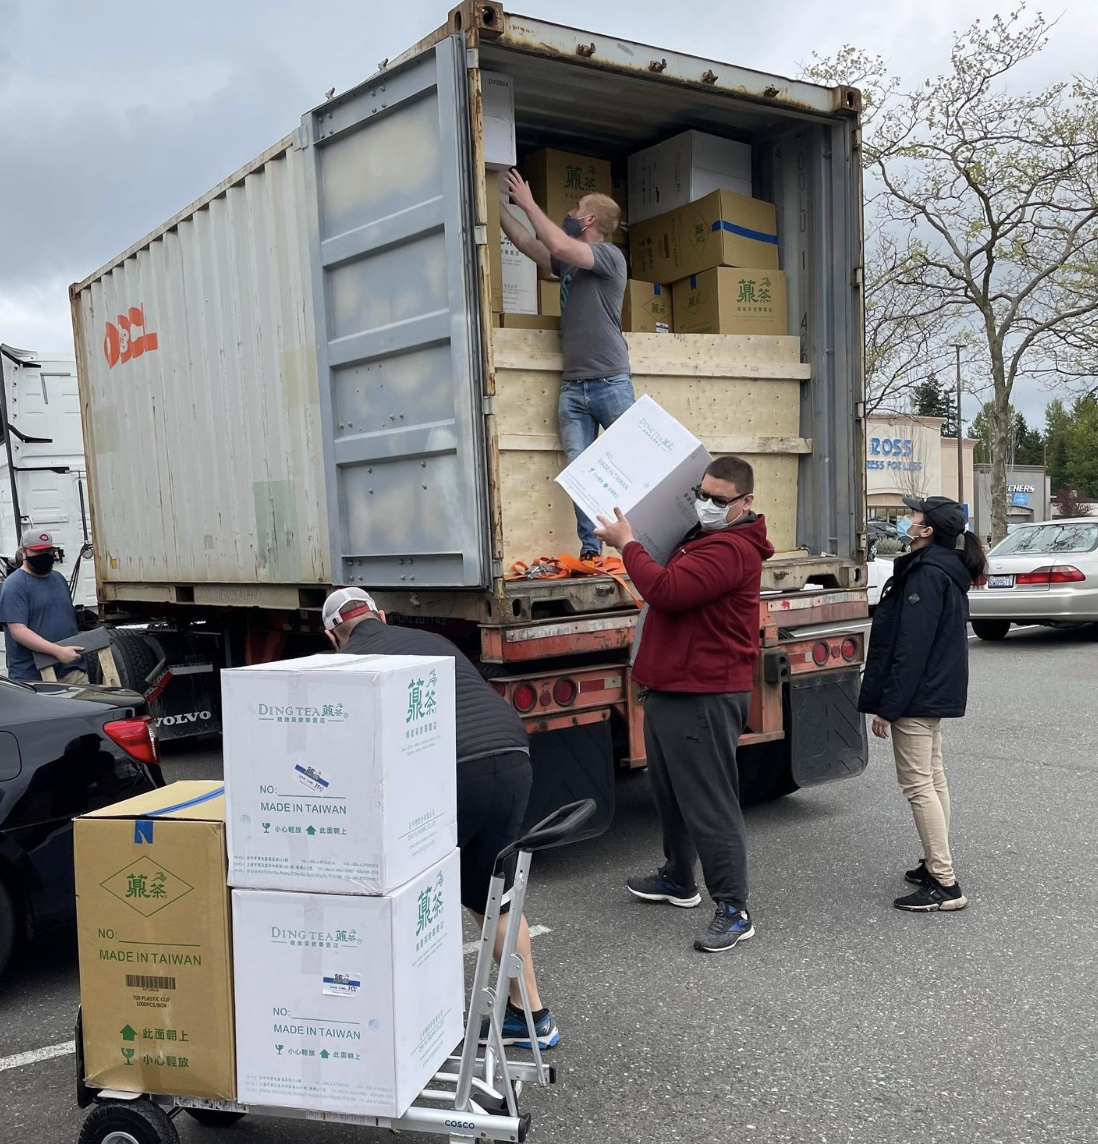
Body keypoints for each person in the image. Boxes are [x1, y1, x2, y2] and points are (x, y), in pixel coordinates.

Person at [321, 587, 559, 1048]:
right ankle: (531, 1018)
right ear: (382, 617)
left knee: (412, 890)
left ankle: (412, 1029)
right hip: (511, 753)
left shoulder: (346, 664)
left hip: (454, 768)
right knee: (494, 893)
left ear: (333, 638)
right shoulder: (434, 642)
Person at [595, 456, 774, 952]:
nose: (708, 505)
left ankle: (734, 908)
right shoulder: (703, 536)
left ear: (745, 503)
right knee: (670, 791)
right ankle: (679, 879)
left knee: (709, 800)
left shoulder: (732, 549)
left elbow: (667, 591)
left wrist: (627, 543)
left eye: (720, 500)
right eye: (703, 494)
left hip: (704, 693)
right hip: (675, 688)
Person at [858, 495, 988, 913]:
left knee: (918, 784)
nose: (905, 521)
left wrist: (888, 708)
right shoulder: (942, 569)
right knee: (933, 777)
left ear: (927, 529)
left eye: (912, 517)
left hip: (917, 695)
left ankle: (945, 883)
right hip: (932, 691)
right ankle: (935, 862)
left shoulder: (926, 575)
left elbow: (910, 648)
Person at [499, 169, 633, 560]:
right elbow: (527, 243)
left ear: (590, 220)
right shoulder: (569, 264)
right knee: (580, 477)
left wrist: (527, 200)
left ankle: (642, 542)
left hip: (611, 381)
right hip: (574, 387)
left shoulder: (608, 257)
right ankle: (591, 550)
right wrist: (495, 205)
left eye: (577, 209)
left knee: (633, 465)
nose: (571, 213)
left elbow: (555, 241)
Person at [0, 528, 86, 684]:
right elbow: (18, 631)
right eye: (38, 552)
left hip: (71, 671)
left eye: (48, 551)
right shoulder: (14, 585)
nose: (44, 556)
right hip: (34, 677)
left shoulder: (58, 579)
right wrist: (58, 651)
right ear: (23, 552)